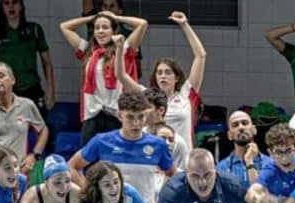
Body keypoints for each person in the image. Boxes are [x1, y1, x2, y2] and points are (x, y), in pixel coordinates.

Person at [115, 11, 205, 149]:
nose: (163, 76)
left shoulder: (186, 95)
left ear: (177, 78)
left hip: (183, 159)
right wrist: (120, 49)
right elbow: (121, 75)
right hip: (153, 158)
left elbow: (201, 55)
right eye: (159, 72)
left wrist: (185, 25)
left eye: (168, 72)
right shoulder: (146, 95)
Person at [59, 8, 147, 144]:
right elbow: (65, 27)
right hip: (92, 115)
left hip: (116, 115)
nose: (100, 31)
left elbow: (142, 24)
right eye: (97, 28)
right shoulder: (88, 50)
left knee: (113, 161)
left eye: (105, 27)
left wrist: (115, 18)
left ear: (114, 31)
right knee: (89, 161)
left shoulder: (122, 49)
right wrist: (94, 17)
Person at [0, 0, 55, 118]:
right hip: (5, 91)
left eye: (14, 2)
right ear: (2, 8)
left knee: (40, 129)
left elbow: (47, 63)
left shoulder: (34, 30)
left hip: (31, 88)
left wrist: (50, 90)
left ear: (21, 6)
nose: (11, 7)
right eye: (6, 3)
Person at [82, 0, 143, 76]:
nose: (108, 10)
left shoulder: (128, 35)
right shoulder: (94, 31)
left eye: (112, 6)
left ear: (120, 11)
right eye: (105, 6)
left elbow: (138, 70)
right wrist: (98, 16)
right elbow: (65, 27)